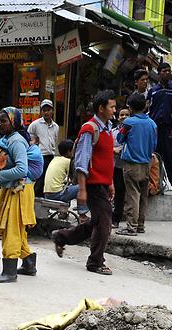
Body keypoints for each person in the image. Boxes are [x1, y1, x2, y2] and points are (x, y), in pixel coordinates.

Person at [52, 90, 116, 275]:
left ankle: (61, 236)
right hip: (93, 184)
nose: (114, 110)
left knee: (96, 222)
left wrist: (110, 182)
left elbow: (107, 159)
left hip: (103, 183)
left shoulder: (107, 128)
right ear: (101, 108)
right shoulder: (90, 129)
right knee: (105, 224)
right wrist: (82, 189)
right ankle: (95, 262)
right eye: (111, 107)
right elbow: (81, 161)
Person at [0, 107, 39, 283]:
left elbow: (21, 169)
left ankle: (9, 272)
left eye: (4, 120)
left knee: (11, 229)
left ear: (13, 122)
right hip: (15, 189)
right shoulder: (8, 139)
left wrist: (0, 175)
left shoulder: (16, 141)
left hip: (19, 190)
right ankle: (29, 264)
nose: (0, 123)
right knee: (18, 229)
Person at [116, 93, 158, 236]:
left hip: (132, 163)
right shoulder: (152, 123)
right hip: (147, 162)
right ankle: (140, 225)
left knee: (132, 195)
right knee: (143, 196)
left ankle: (131, 227)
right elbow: (154, 144)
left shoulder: (129, 123)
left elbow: (120, 138)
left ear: (131, 108)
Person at [147, 63, 172, 192]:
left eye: (168, 71)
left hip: (169, 129)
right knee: (154, 157)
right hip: (155, 129)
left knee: (171, 156)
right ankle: (154, 184)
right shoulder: (153, 91)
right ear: (159, 73)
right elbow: (148, 110)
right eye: (164, 71)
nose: (167, 73)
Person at [27, 99, 60, 197]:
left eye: (48, 110)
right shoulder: (35, 124)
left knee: (47, 181)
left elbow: (55, 141)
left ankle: (43, 204)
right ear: (41, 111)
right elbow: (29, 139)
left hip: (51, 156)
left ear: (52, 111)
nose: (46, 112)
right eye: (44, 110)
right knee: (39, 182)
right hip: (39, 156)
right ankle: (35, 202)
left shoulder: (56, 127)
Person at [43, 139, 79, 208]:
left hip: (47, 194)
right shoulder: (68, 161)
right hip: (56, 195)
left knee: (67, 187)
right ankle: (82, 212)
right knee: (82, 187)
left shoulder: (55, 159)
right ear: (69, 151)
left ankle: (63, 213)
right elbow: (75, 180)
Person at [111, 107, 130, 228]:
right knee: (116, 192)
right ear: (118, 117)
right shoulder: (112, 132)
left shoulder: (132, 131)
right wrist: (113, 150)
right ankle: (114, 219)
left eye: (126, 115)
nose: (123, 117)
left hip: (127, 166)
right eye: (121, 115)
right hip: (114, 165)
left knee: (123, 193)